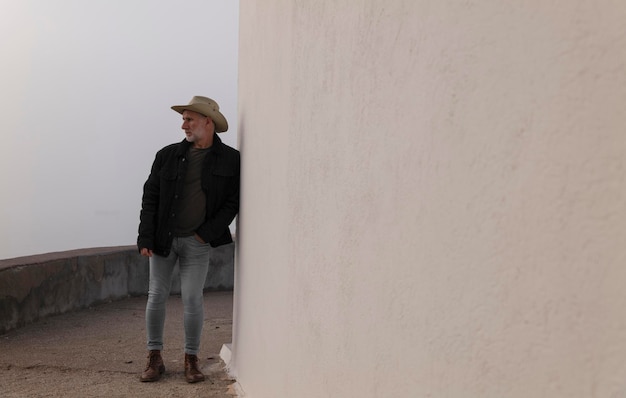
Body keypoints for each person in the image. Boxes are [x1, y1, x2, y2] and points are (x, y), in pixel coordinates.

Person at [137, 96, 240, 383]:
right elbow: (151, 197)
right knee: (156, 296)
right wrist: (145, 236)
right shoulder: (167, 155)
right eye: (183, 119)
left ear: (208, 122)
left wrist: (204, 234)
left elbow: (232, 202)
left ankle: (190, 360)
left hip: (197, 243)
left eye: (189, 119)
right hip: (162, 240)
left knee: (193, 299)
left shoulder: (231, 159)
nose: (183, 125)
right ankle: (154, 358)